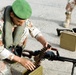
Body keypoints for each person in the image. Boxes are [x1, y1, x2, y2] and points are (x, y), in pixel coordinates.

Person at [0, 0, 50, 75]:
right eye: (19, 21)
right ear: (11, 14)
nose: (21, 24)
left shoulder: (22, 20)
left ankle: (15, 54)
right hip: (1, 52)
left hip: (12, 49)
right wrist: (20, 60)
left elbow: (34, 31)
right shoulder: (1, 23)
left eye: (24, 21)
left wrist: (44, 42)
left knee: (25, 29)